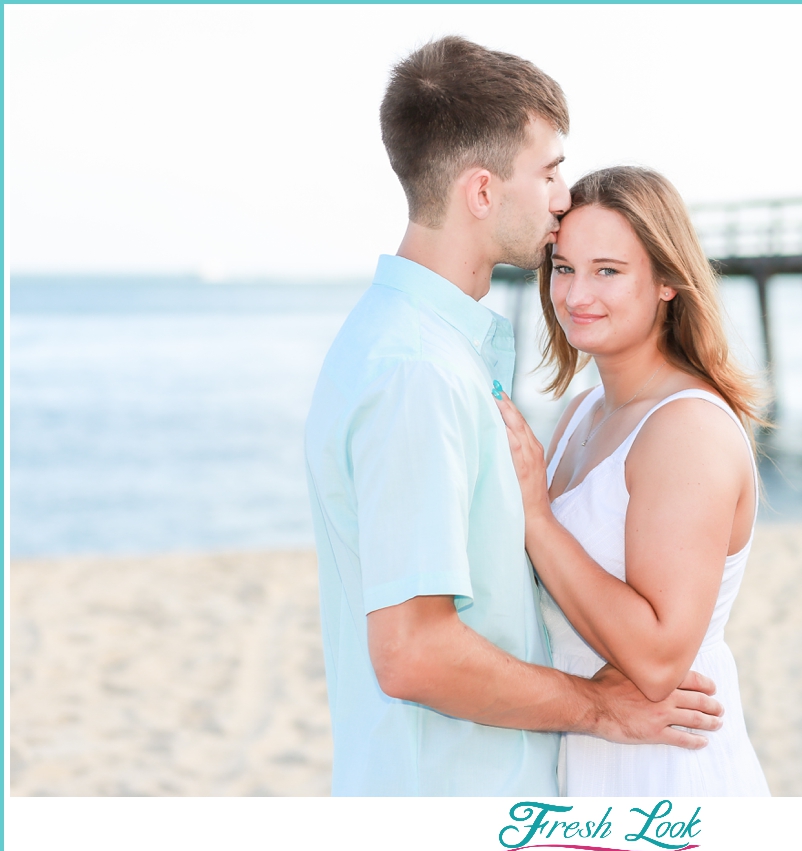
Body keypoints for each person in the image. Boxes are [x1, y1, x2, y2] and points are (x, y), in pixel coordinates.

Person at [304, 38, 723, 797]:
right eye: (551, 170)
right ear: (482, 192)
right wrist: (597, 707)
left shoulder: (431, 352)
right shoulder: (418, 373)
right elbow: (413, 652)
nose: (564, 196)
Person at [495, 166, 772, 796]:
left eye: (608, 271)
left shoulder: (686, 431)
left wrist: (535, 517)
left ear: (668, 280)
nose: (575, 294)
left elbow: (656, 659)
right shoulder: (584, 411)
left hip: (665, 769)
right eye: (562, 268)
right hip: (591, 755)